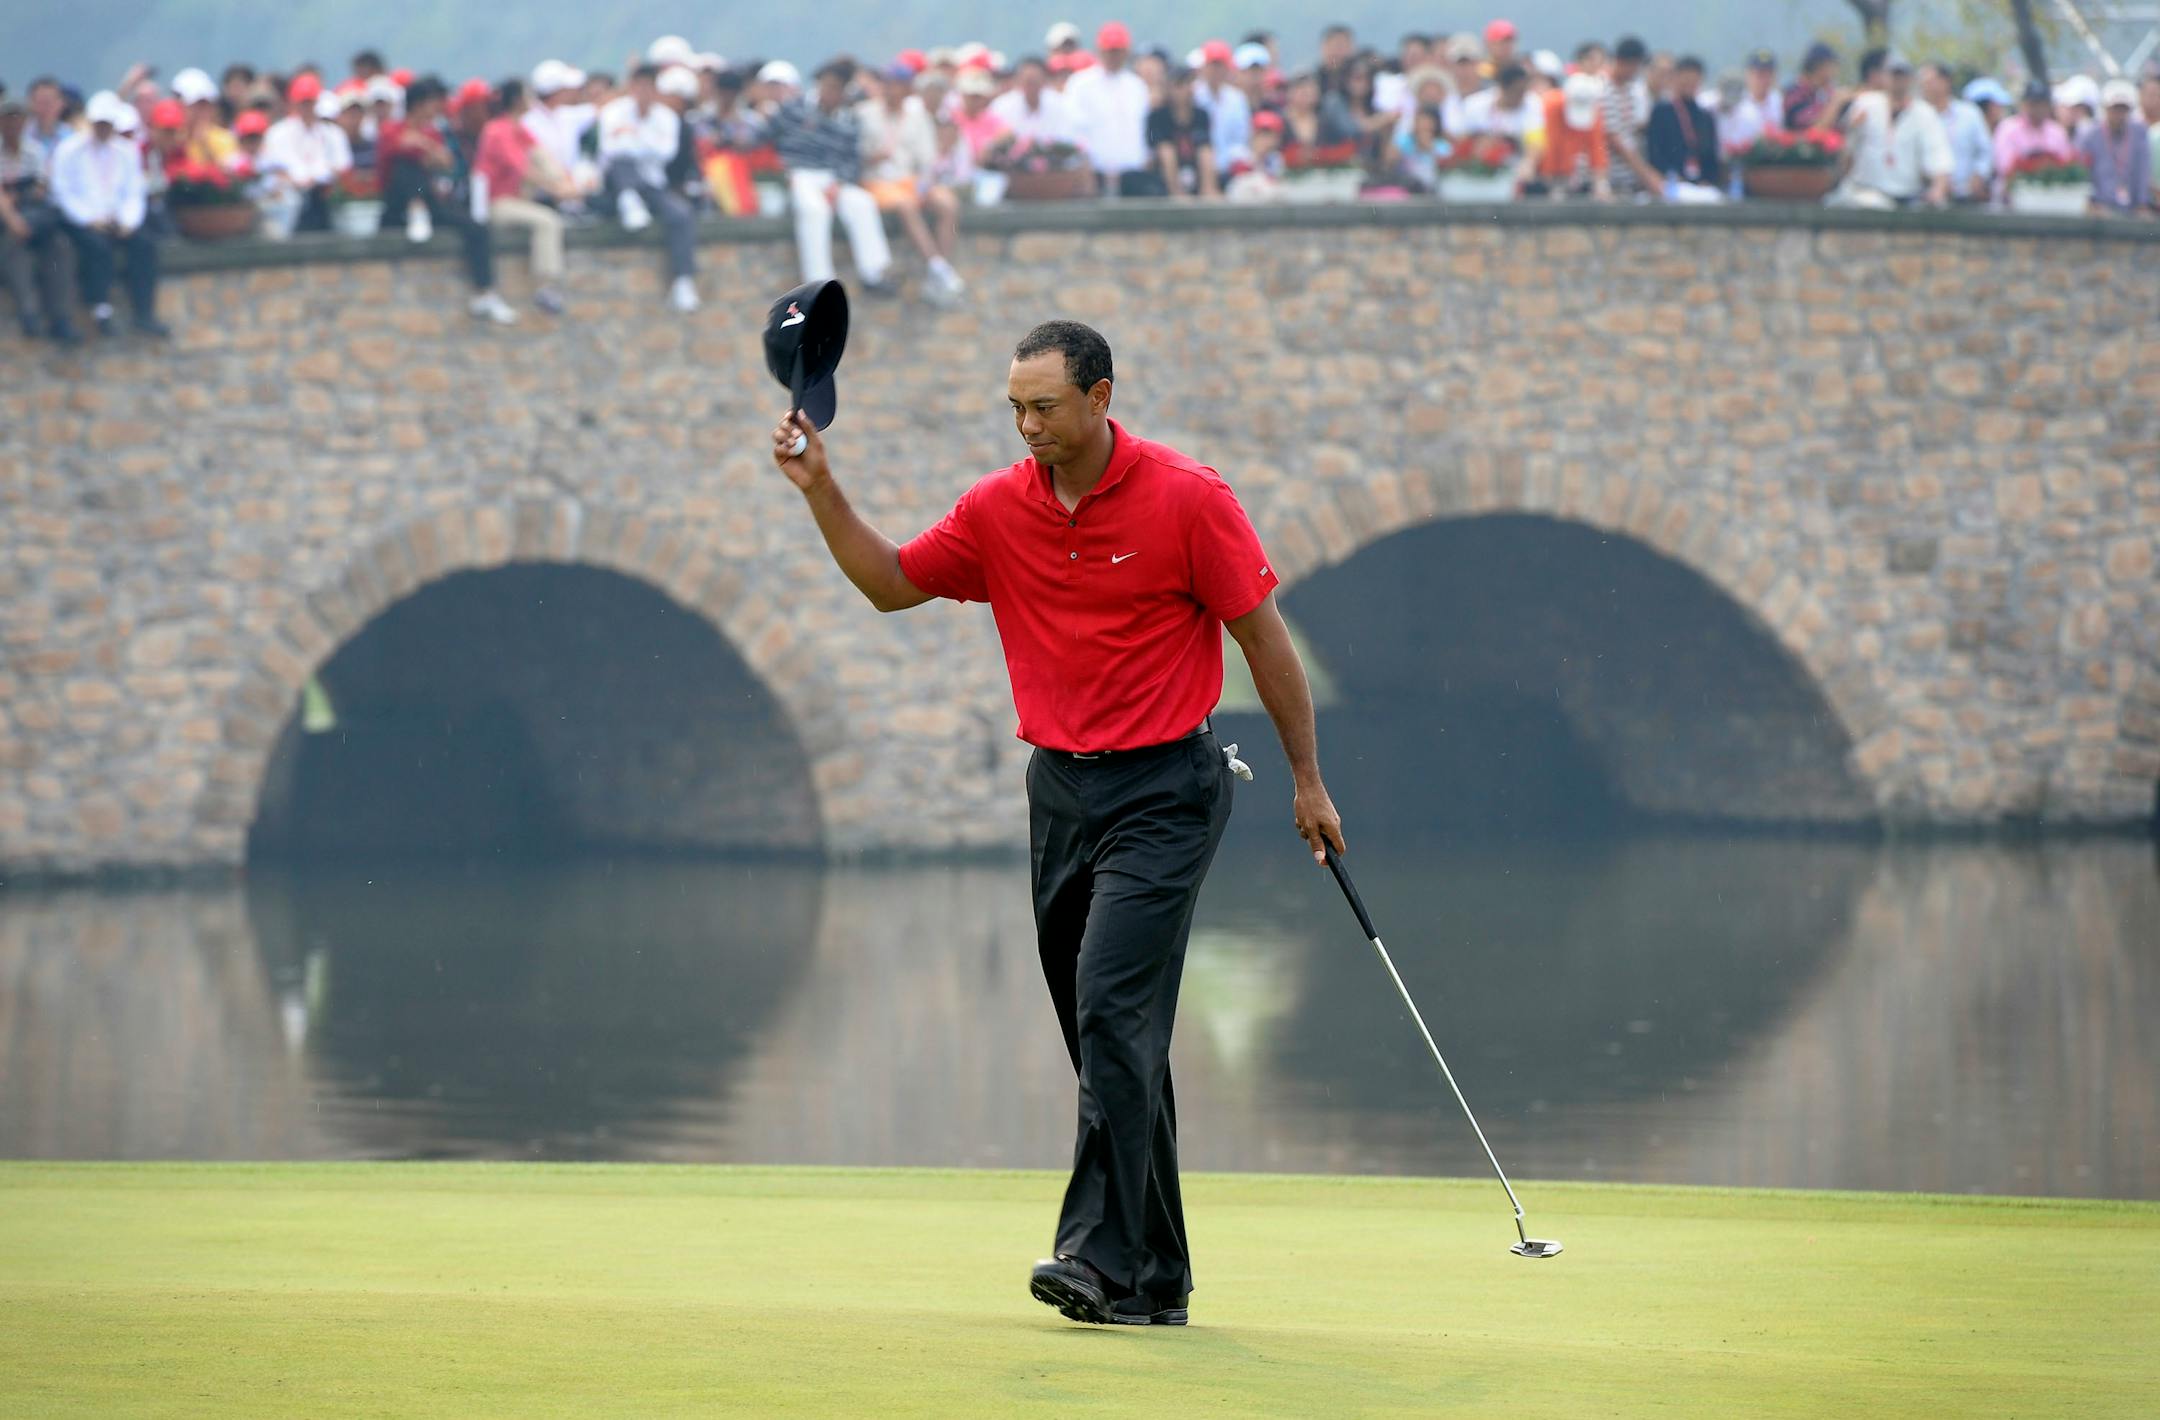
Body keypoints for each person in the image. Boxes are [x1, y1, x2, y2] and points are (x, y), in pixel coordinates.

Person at [767, 318, 1344, 1329]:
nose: (1028, 425)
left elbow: (1263, 635)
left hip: (1169, 787)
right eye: (1015, 409)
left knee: (1110, 1011)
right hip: (1061, 794)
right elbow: (891, 583)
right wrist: (823, 491)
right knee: (1114, 1043)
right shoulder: (999, 509)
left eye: (1044, 406)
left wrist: (1307, 779)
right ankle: (1159, 1276)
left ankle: (1096, 1260)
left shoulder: (1189, 498)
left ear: (1101, 397)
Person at [771, 59, 894, 294]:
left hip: (833, 178)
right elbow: (768, 138)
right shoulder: (793, 109)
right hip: (800, 175)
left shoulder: (849, 120)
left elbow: (852, 159)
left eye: (836, 88)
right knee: (815, 210)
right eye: (827, 86)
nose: (830, 93)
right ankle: (819, 283)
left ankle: (874, 271)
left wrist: (839, 183)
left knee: (862, 203)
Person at [52, 90, 167, 338]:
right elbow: (63, 192)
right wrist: (89, 219)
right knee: (97, 248)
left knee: (144, 244)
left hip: (116, 219)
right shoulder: (69, 150)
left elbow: (134, 192)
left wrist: (128, 221)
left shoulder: (126, 151)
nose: (103, 129)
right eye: (99, 124)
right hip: (83, 220)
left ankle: (144, 312)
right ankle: (101, 308)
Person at [857, 64, 965, 302]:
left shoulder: (918, 117)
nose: (890, 90)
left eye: (896, 85)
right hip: (878, 180)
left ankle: (940, 268)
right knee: (906, 205)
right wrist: (875, 157)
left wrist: (925, 185)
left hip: (910, 178)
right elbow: (856, 156)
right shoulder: (864, 114)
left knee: (947, 203)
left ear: (906, 89)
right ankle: (936, 265)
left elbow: (927, 159)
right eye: (887, 84)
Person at [598, 63, 700, 312]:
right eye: (639, 85)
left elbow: (666, 153)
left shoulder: (666, 117)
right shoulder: (613, 111)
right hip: (615, 184)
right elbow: (611, 149)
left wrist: (632, 138)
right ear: (631, 87)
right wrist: (642, 143)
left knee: (681, 214)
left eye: (649, 86)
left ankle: (683, 281)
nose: (644, 91)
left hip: (653, 183)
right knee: (623, 165)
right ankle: (628, 201)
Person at [475, 79, 571, 315]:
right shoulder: (497, 130)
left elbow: (543, 158)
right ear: (518, 100)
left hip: (518, 199)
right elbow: (521, 168)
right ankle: (546, 285)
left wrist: (567, 182)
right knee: (548, 221)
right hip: (498, 202)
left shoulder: (520, 130)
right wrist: (556, 189)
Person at [0, 96, 81, 342]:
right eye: (8, 119)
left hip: (33, 218)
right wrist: (13, 219)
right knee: (15, 250)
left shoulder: (34, 151)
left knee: (60, 247)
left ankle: (61, 317)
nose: (13, 124)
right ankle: (29, 313)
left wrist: (29, 198)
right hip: (8, 224)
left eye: (18, 118)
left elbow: (41, 187)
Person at [260, 73, 351, 234]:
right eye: (303, 103)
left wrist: (319, 179)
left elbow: (343, 166)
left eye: (310, 102)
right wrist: (293, 181)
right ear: (293, 103)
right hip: (290, 201)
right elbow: (270, 169)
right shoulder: (277, 133)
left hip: (324, 199)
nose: (307, 108)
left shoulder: (333, 134)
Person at [1067, 21, 1153, 194]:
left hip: (1132, 172)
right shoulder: (1080, 84)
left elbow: (1142, 127)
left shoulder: (1136, 85)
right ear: (1099, 50)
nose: (1113, 56)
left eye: (1118, 50)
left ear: (1126, 52)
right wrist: (1085, 168)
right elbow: (1076, 131)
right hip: (1094, 172)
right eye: (1109, 50)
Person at [1646, 56, 1722, 197]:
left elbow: (1711, 156)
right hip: (1669, 183)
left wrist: (1706, 180)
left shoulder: (1706, 116)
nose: (1690, 83)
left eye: (1694, 79)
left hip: (1700, 185)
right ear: (1676, 78)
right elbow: (1654, 153)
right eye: (1686, 78)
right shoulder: (1662, 111)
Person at [1992, 79, 2073, 203]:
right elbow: (2005, 167)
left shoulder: (2057, 132)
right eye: (2034, 103)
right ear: (2024, 104)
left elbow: (2066, 167)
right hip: (2012, 200)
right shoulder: (2008, 129)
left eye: (2042, 103)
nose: (2038, 108)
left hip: (2051, 200)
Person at [1601, 36, 1662, 198]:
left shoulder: (1631, 90)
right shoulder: (1604, 90)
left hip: (1629, 177)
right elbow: (1616, 141)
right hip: (1610, 176)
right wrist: (1647, 175)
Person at [1923, 64, 1992, 203]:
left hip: (1967, 194)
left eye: (1930, 82)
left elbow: (1986, 151)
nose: (1926, 87)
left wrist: (1979, 176)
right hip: (1929, 196)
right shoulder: (1919, 116)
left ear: (1946, 81)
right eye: (1923, 83)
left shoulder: (1969, 114)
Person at [2081, 78, 2151, 214]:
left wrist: (2142, 203)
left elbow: (2143, 170)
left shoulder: (2139, 132)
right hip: (2100, 206)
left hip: (2132, 206)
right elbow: (2085, 171)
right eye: (2115, 109)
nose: (2119, 114)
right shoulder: (2091, 135)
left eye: (2123, 109)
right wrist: (2091, 202)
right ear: (2105, 108)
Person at [1147, 67, 1219, 198]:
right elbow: (1158, 147)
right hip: (1164, 169)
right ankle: (1176, 193)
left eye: (1189, 84)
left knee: (1206, 153)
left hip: (1193, 162)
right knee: (1167, 151)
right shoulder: (1158, 116)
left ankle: (1209, 190)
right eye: (1179, 85)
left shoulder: (1201, 115)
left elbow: (1205, 145)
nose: (1185, 90)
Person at [1538, 71, 1611, 200]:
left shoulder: (1594, 111)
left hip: (1574, 175)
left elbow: (1597, 148)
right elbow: (1549, 147)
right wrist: (1553, 184)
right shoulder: (1550, 106)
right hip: (1546, 174)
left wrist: (1601, 184)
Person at [991, 56, 1079, 148]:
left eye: (1034, 81)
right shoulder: (1001, 106)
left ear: (1045, 81)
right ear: (1017, 81)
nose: (1031, 87)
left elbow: (1069, 139)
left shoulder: (1060, 103)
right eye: (1027, 81)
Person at [1192, 41, 1251, 166]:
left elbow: (1241, 137)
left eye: (1220, 65)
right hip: (1199, 165)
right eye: (1212, 65)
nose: (1216, 70)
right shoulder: (1193, 95)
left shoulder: (1237, 99)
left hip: (1230, 165)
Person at [1723, 49, 1783, 153]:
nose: (1764, 80)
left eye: (1768, 74)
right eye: (1760, 75)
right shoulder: (1736, 103)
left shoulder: (1779, 101)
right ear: (1748, 75)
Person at [1784, 43, 1840, 131]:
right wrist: (1837, 101)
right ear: (1819, 68)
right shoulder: (1794, 95)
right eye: (1829, 67)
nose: (1832, 74)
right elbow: (1814, 131)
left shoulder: (1817, 93)